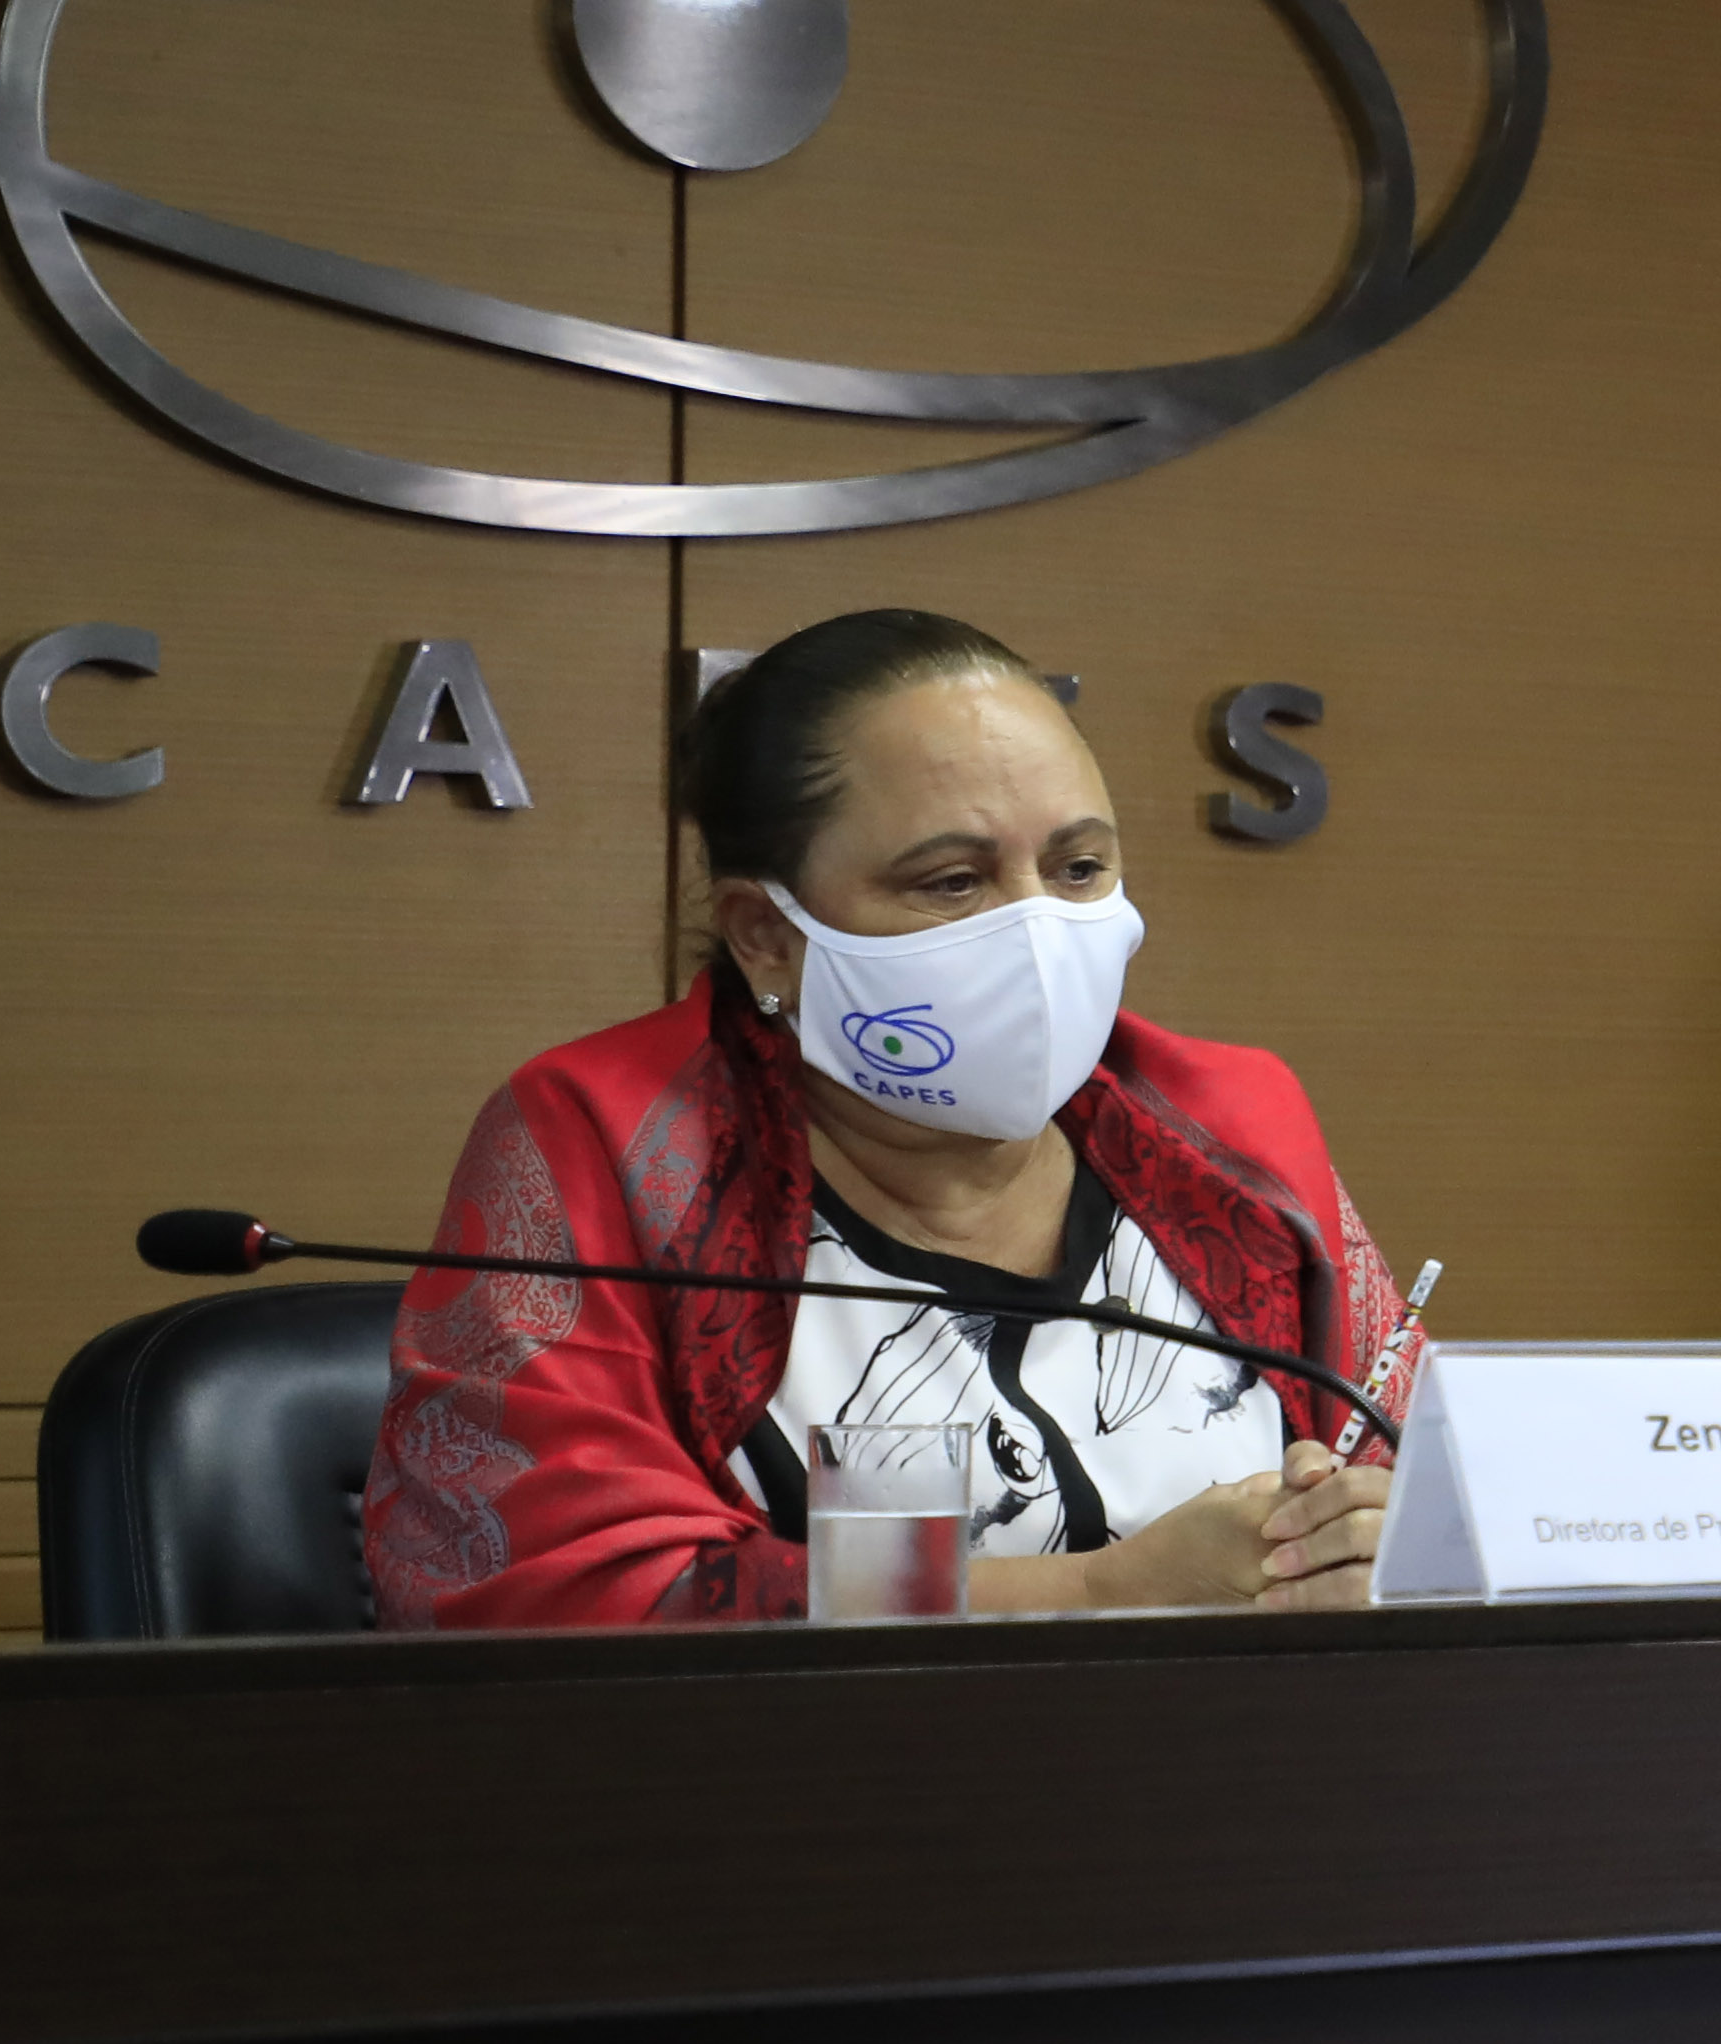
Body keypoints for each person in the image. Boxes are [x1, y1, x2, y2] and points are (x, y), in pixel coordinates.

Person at [364, 609, 1407, 1622]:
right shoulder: (607, 1142)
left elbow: (1415, 1492)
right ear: (765, 934)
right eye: (953, 881)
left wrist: (1365, 1548)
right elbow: (548, 1589)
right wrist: (1100, 1595)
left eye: (1079, 869)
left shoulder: (1228, 1129)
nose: (1039, 930)